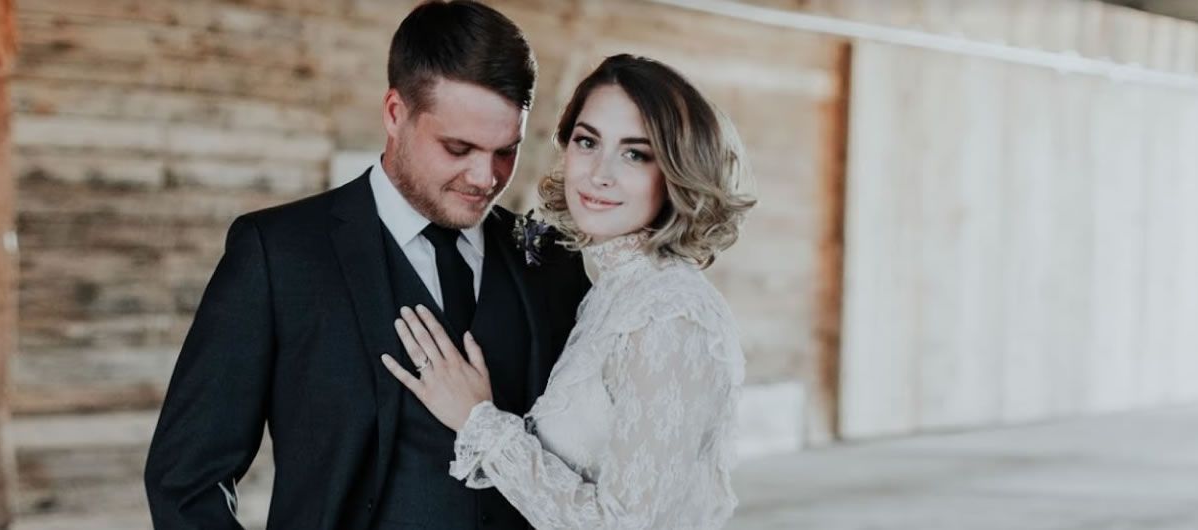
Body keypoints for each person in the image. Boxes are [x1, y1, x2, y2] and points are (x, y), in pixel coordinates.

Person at [142, 2, 590, 529]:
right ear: (395, 114)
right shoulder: (278, 254)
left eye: (505, 152)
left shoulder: (550, 262)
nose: (484, 177)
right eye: (458, 147)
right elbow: (185, 481)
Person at [381, 53, 756, 529]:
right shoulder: (613, 292)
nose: (599, 173)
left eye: (635, 153)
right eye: (587, 141)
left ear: (676, 171)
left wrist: (479, 420)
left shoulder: (670, 314)